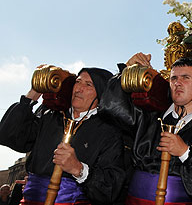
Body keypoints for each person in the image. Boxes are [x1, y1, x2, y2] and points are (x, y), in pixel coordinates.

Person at [100, 54, 192, 205]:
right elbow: (110, 107)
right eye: (173, 78)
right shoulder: (150, 117)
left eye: (185, 77)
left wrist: (185, 153)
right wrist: (126, 71)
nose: (178, 83)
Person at [0, 67, 125, 205]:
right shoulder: (51, 117)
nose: (78, 88)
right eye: (78, 82)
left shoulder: (109, 132)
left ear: (100, 93)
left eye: (88, 84)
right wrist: (33, 94)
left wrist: (78, 169)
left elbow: (112, 188)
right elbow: (9, 136)